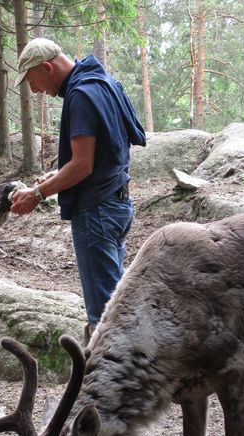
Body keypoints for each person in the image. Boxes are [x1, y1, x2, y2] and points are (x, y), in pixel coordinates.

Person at [10, 38, 147, 341]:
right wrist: (59, 174)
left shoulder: (81, 95)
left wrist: (37, 194)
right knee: (118, 304)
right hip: (119, 205)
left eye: (34, 81)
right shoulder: (104, 82)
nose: (35, 91)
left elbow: (82, 166)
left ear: (47, 67)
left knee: (105, 319)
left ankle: (119, 382)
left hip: (96, 212)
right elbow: (106, 153)